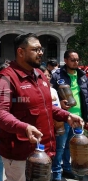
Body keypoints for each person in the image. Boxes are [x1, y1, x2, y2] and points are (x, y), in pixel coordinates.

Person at [0, 33, 83, 181]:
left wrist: (67, 115)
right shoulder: (5, 78)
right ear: (21, 52)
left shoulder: (40, 74)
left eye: (41, 49)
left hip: (44, 152)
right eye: (36, 49)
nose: (41, 53)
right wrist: (24, 127)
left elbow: (46, 107)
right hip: (21, 156)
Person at [50, 49, 88, 181]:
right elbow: (50, 95)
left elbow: (86, 97)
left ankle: (67, 169)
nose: (76, 62)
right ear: (65, 60)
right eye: (73, 60)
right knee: (60, 147)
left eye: (77, 60)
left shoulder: (82, 75)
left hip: (79, 117)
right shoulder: (57, 75)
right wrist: (59, 102)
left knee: (71, 147)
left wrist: (86, 117)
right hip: (63, 118)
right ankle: (57, 174)